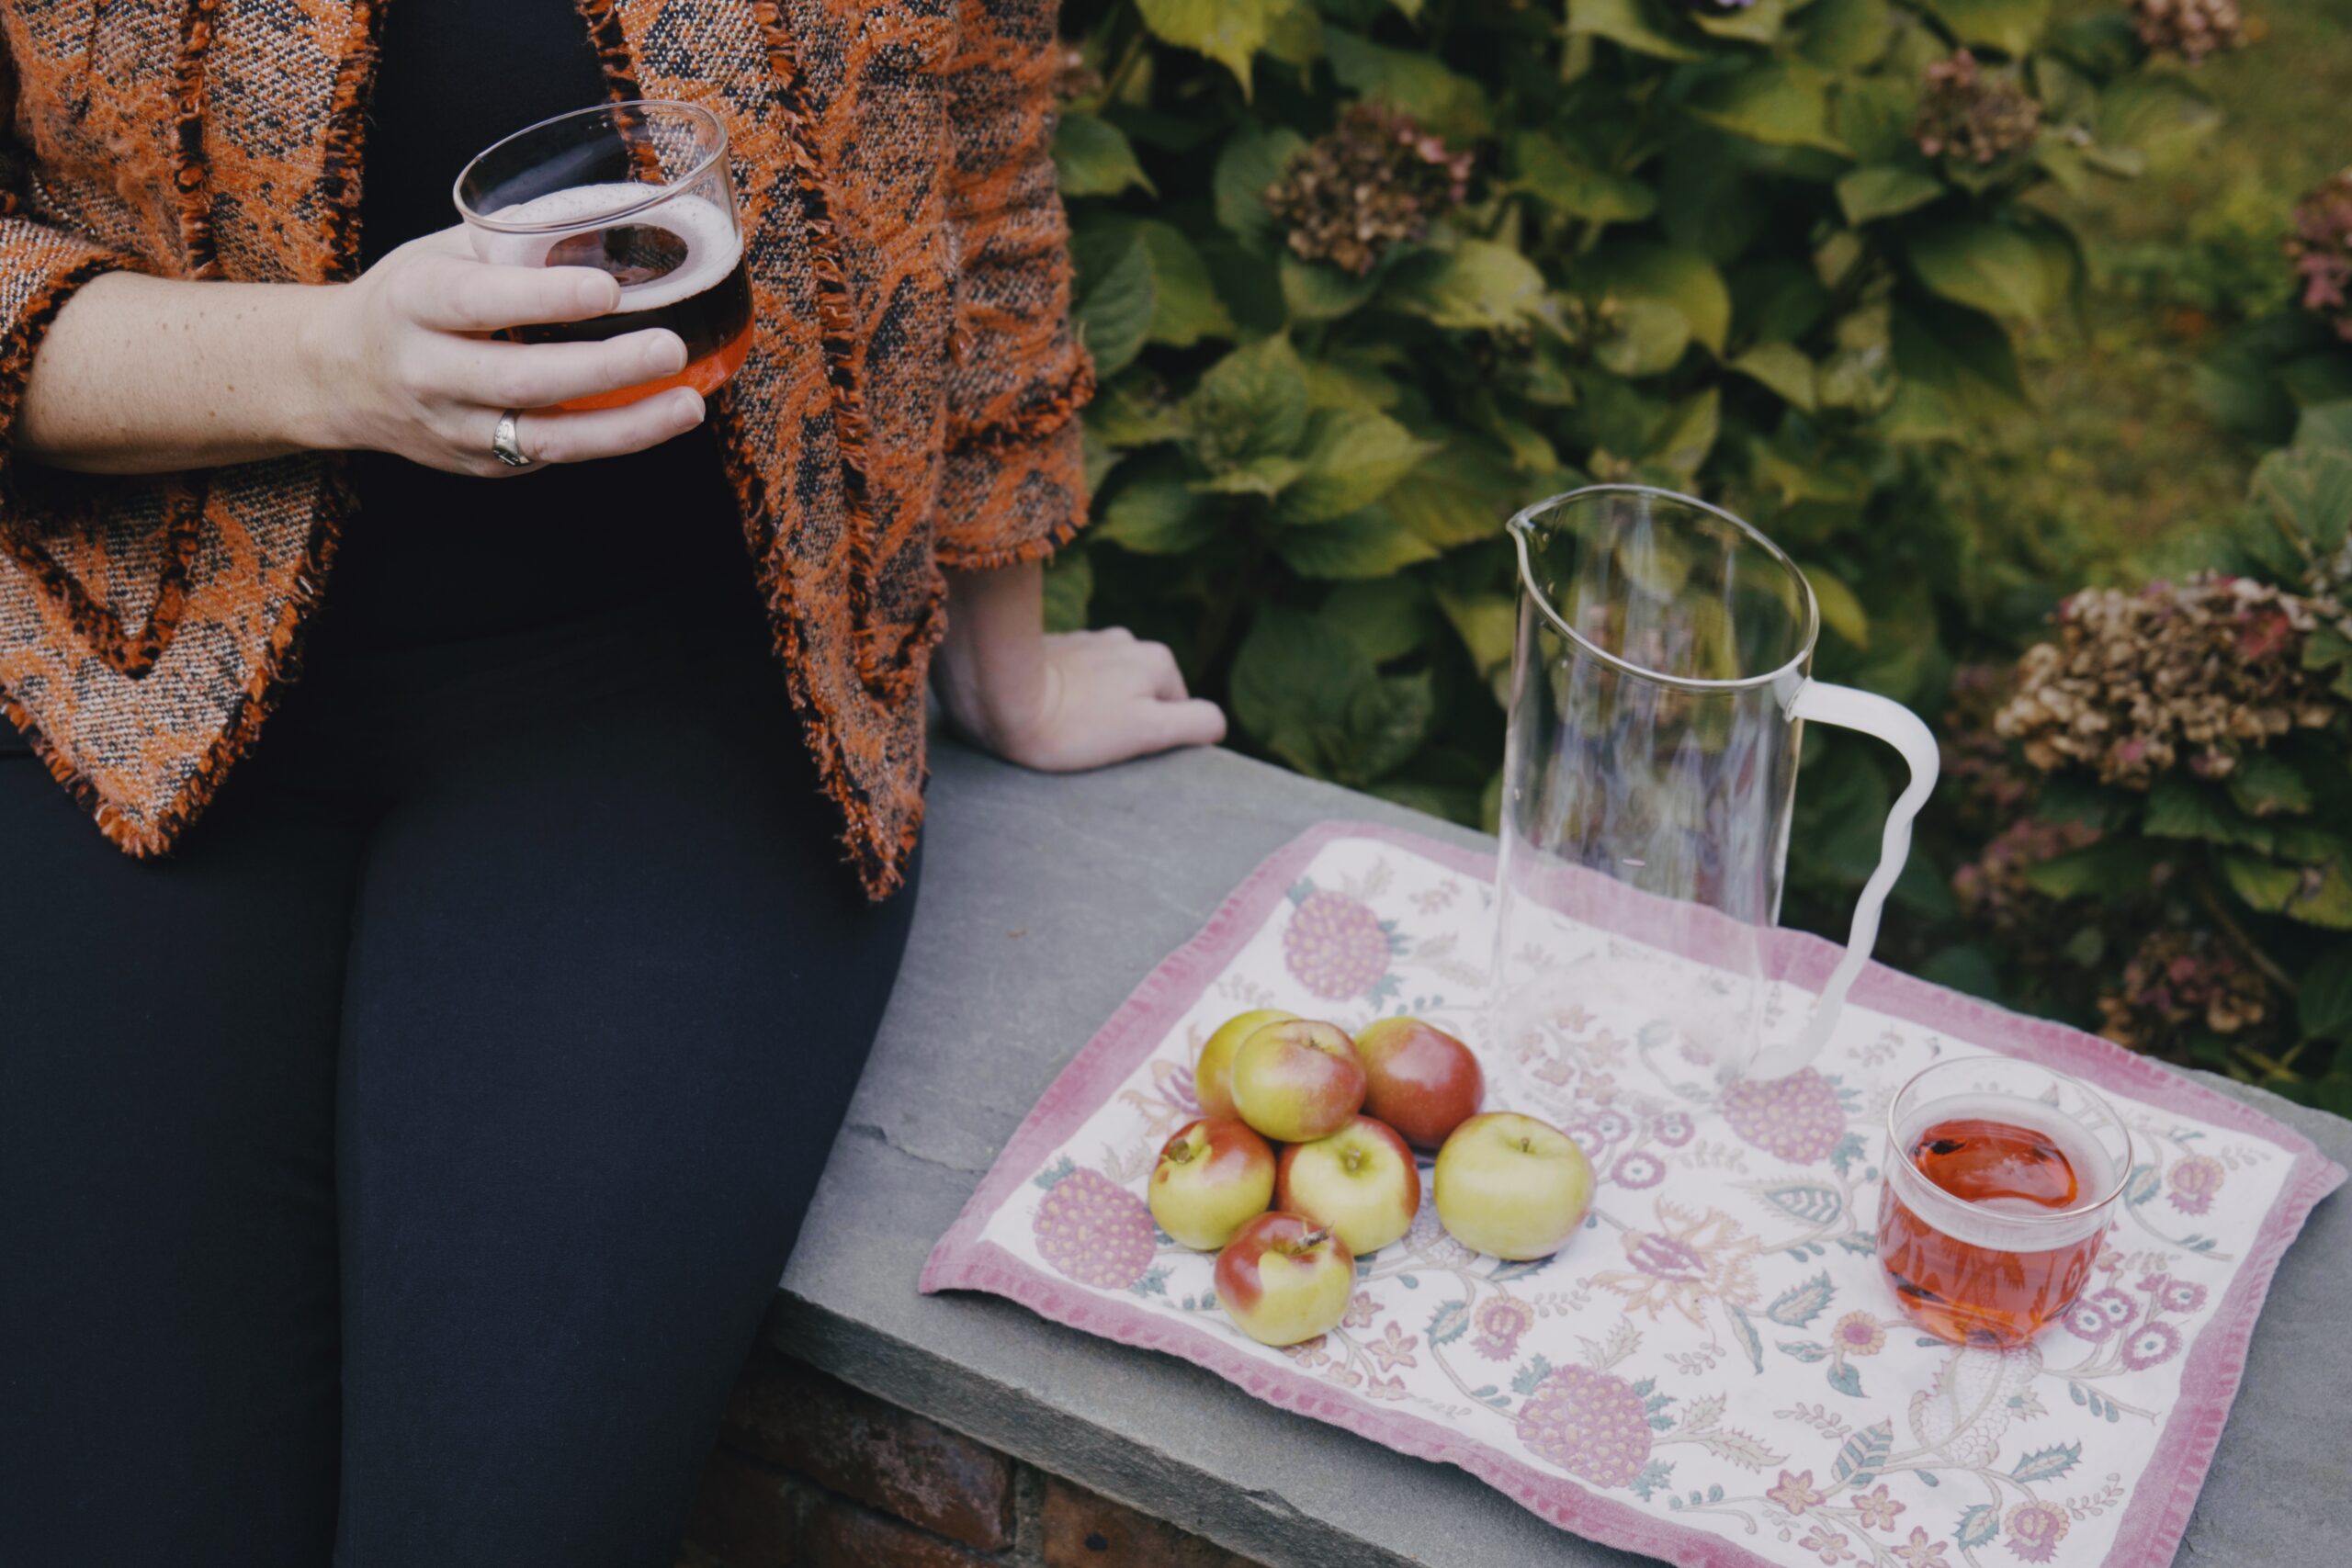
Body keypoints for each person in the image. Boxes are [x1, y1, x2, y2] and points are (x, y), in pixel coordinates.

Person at [0, 3, 1221, 1564]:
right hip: (125, 672)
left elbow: (972, 162)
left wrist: (1000, 637)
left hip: (681, 698)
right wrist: (324, 365)